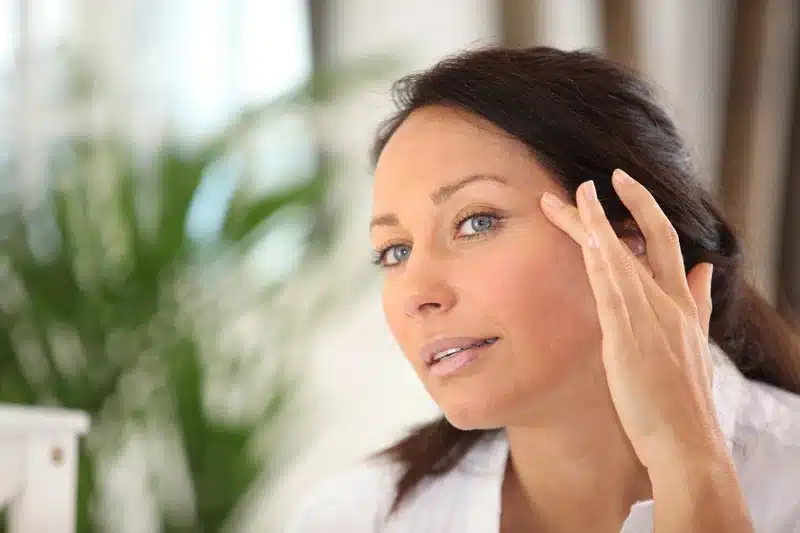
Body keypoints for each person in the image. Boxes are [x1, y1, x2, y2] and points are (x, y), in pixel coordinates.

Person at [284, 46, 800, 533]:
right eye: (395, 251)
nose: (416, 293)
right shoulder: (354, 518)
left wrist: (689, 463)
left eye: (477, 222)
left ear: (631, 241)